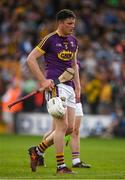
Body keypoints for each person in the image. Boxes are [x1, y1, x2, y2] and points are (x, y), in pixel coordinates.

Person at [27, 9, 81, 174]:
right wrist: (43, 81)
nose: (72, 26)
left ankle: (37, 150)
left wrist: (78, 85)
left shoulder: (73, 41)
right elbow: (30, 59)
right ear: (60, 23)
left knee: (70, 128)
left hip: (70, 86)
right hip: (55, 86)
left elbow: (74, 64)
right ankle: (61, 166)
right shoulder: (49, 39)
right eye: (69, 23)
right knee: (62, 125)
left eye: (74, 23)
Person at [38, 102, 91, 168]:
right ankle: (39, 153)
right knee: (54, 130)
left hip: (76, 101)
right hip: (64, 98)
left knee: (75, 130)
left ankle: (76, 161)